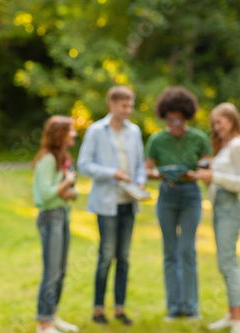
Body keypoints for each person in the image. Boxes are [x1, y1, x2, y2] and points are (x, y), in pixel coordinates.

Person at [77, 85, 146, 326]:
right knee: (106, 257)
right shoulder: (96, 131)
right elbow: (84, 165)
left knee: (124, 258)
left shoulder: (135, 131)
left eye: (131, 105)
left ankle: (119, 309)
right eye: (124, 105)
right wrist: (112, 173)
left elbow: (140, 165)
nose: (128, 110)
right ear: (112, 105)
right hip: (107, 204)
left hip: (130, 202)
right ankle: (98, 310)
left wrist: (140, 181)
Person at [145, 86, 212, 321]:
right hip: (167, 195)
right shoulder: (156, 140)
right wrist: (160, 174)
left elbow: (207, 167)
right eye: (170, 117)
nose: (174, 122)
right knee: (169, 251)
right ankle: (174, 306)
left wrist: (193, 174)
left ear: (186, 116)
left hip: (191, 196)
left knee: (187, 250)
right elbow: (148, 170)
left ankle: (191, 306)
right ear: (164, 116)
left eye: (178, 118)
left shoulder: (198, 138)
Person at [194, 103, 240, 333]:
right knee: (224, 262)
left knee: (228, 263)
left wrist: (215, 176)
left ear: (232, 119)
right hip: (219, 209)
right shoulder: (226, 146)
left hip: (230, 209)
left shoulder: (239, 145)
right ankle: (232, 315)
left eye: (221, 121)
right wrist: (209, 177)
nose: (217, 127)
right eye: (214, 123)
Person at [33, 115, 79, 333]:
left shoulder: (61, 157)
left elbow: (60, 192)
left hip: (62, 215)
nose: (75, 134)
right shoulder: (47, 159)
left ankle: (52, 315)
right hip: (50, 217)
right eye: (71, 130)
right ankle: (43, 323)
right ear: (60, 134)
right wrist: (67, 183)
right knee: (51, 271)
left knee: (60, 270)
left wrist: (70, 190)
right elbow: (44, 195)